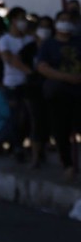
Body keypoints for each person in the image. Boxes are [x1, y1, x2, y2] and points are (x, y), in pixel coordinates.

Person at [37, 10, 81, 180]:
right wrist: (67, 77)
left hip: (78, 93)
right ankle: (68, 164)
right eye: (62, 20)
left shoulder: (78, 42)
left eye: (68, 20)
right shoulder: (49, 45)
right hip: (59, 94)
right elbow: (42, 67)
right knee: (61, 130)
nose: (66, 23)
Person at [0, 7, 34, 162]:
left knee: (28, 116)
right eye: (20, 18)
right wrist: (29, 71)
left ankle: (23, 144)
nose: (23, 22)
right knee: (15, 116)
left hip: (28, 85)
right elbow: (9, 59)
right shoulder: (4, 40)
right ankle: (16, 146)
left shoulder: (29, 40)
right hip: (12, 83)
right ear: (12, 20)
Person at [19, 15, 53, 169]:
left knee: (52, 123)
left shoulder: (55, 47)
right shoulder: (29, 48)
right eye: (42, 26)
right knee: (36, 123)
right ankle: (35, 156)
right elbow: (21, 64)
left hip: (53, 89)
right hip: (34, 90)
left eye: (47, 27)